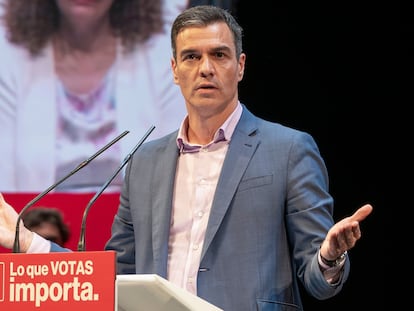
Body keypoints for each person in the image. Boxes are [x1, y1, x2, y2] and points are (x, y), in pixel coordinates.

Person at [0, 5, 373, 310]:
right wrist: (30, 242)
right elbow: (115, 277)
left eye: (219, 55)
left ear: (240, 66)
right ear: (175, 70)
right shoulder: (144, 162)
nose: (205, 68)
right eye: (191, 57)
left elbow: (318, 282)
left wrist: (328, 256)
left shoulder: (290, 150)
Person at [0, 0, 189, 192]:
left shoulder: (163, 56)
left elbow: (180, 173)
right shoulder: (8, 58)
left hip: (139, 221)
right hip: (33, 220)